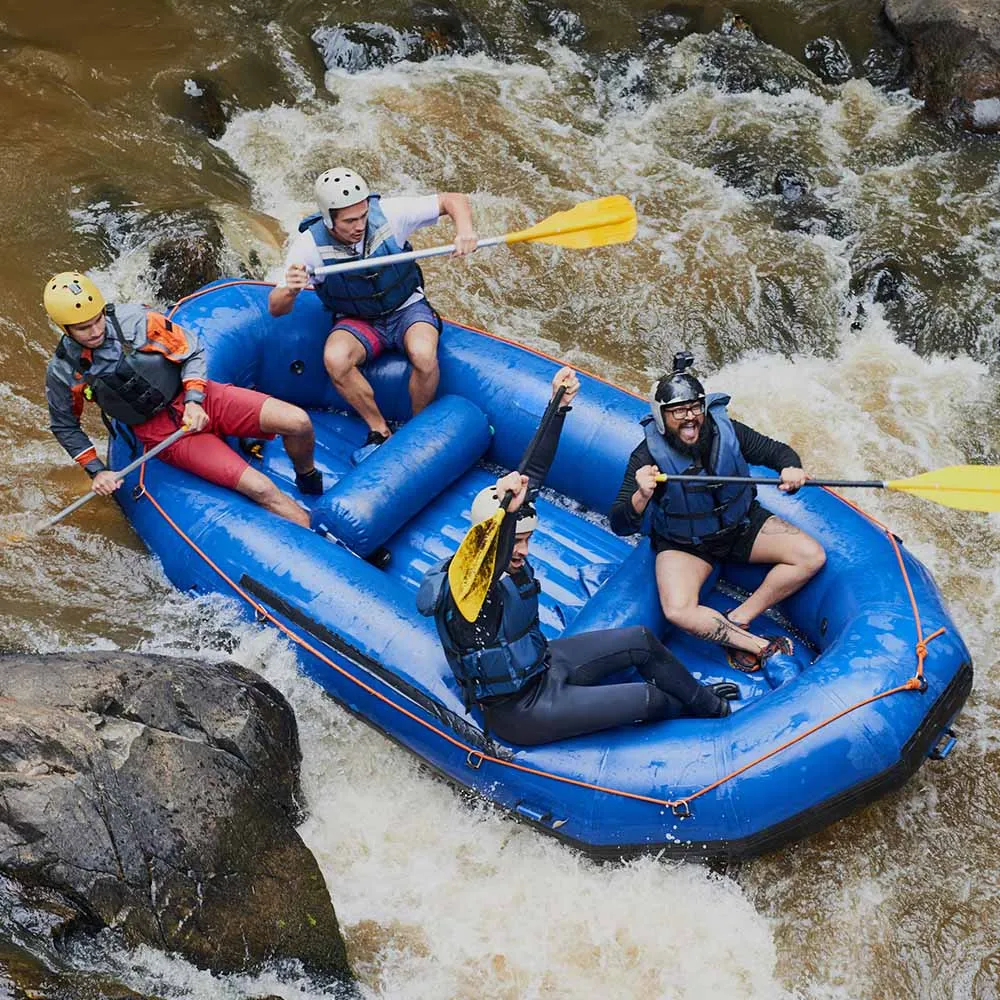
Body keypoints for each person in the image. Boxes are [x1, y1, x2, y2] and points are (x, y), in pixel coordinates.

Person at [417, 367, 738, 747]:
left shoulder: (506, 548)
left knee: (640, 640)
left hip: (545, 665)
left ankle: (707, 703)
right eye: (515, 542)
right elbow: (499, 535)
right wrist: (505, 512)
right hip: (521, 710)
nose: (522, 550)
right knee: (647, 698)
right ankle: (690, 708)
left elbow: (529, 478)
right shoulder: (469, 579)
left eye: (527, 540)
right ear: (492, 539)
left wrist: (559, 407)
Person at [43, 271, 322, 528]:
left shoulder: (138, 321)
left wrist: (193, 399)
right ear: (65, 328)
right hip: (165, 433)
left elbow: (191, 351)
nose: (95, 332)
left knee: (297, 421)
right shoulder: (64, 371)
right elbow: (65, 425)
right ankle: (315, 539)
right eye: (83, 328)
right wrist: (96, 470)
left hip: (200, 397)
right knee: (261, 488)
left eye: (98, 319)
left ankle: (308, 478)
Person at [609, 353, 826, 684]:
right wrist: (642, 495)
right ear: (661, 416)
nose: (690, 418)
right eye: (678, 411)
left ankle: (739, 617)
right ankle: (759, 646)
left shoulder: (727, 430)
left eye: (695, 407)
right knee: (678, 610)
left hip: (741, 526)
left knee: (811, 557)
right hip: (686, 544)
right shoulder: (646, 455)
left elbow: (775, 451)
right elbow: (621, 523)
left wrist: (790, 466)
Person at [267, 167, 478, 462]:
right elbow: (276, 308)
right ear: (329, 218)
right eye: (350, 221)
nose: (359, 225)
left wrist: (464, 230)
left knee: (423, 354)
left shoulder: (390, 214)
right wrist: (289, 289)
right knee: (335, 359)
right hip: (358, 319)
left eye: (363, 216)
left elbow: (452, 200)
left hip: (406, 306)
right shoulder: (309, 246)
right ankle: (380, 430)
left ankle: (416, 428)